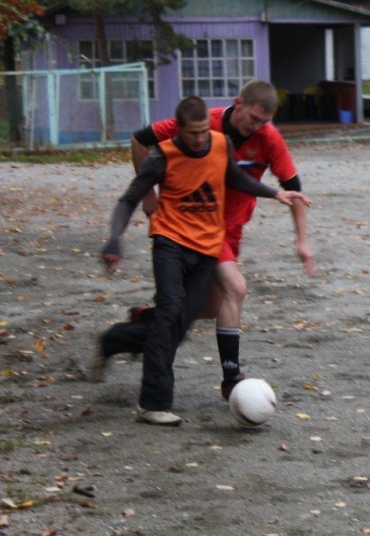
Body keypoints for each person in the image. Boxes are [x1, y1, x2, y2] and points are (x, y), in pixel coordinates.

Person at [95, 96, 310, 426]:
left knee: (188, 319)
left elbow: (242, 180)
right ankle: (173, 397)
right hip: (177, 238)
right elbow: (132, 182)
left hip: (213, 240)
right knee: (189, 307)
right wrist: (123, 229)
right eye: (193, 133)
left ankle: (120, 337)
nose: (200, 139)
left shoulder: (226, 144)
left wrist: (280, 202)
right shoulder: (176, 145)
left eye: (203, 133)